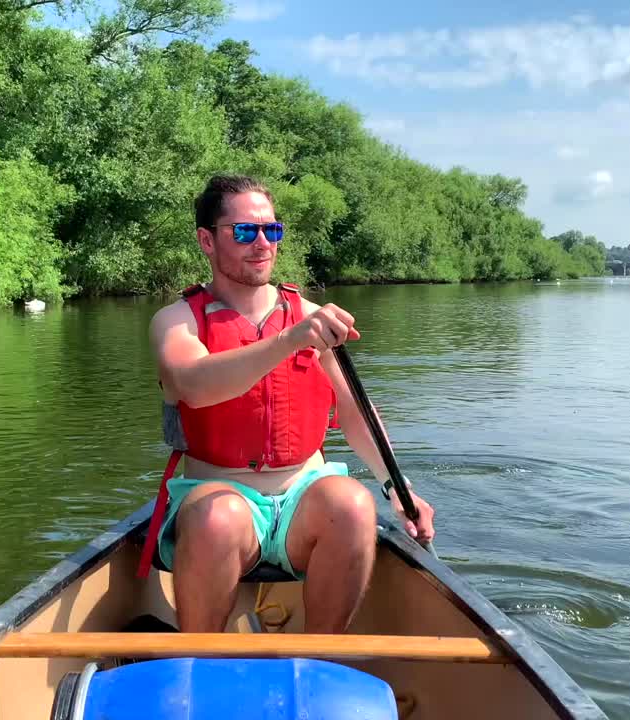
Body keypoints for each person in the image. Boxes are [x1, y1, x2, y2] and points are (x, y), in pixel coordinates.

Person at [138, 174, 436, 634]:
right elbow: (192, 384)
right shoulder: (177, 322)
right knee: (218, 517)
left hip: (304, 496)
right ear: (207, 240)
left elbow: (355, 412)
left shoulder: (310, 316)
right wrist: (289, 340)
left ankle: (318, 660)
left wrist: (397, 487)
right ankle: (201, 660)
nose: (262, 244)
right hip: (223, 500)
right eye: (244, 232)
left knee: (354, 504)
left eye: (271, 231)